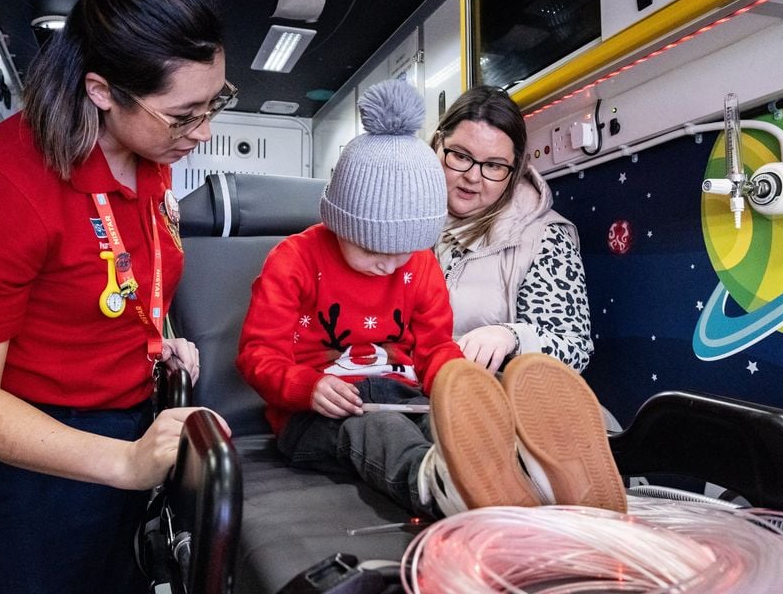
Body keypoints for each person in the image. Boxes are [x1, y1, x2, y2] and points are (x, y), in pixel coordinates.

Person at [0, 0, 232, 592]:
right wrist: (124, 462)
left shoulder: (149, 156)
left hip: (118, 439)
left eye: (214, 102)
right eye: (185, 114)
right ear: (102, 90)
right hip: (15, 468)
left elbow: (104, 282)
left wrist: (144, 344)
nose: (204, 131)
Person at [235, 80, 625, 520]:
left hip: (404, 393)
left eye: (495, 165)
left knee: (447, 425)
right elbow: (258, 354)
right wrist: (305, 388)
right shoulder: (296, 260)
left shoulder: (418, 260)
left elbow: (435, 347)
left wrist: (458, 396)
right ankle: (436, 484)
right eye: (460, 157)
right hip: (316, 408)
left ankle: (529, 474)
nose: (388, 265)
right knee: (377, 429)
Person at [431, 86, 594, 375]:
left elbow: (573, 349)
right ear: (437, 145)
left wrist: (512, 337)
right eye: (460, 156)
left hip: (485, 401)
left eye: (493, 165)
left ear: (514, 169)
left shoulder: (544, 237)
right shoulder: (396, 224)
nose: (472, 176)